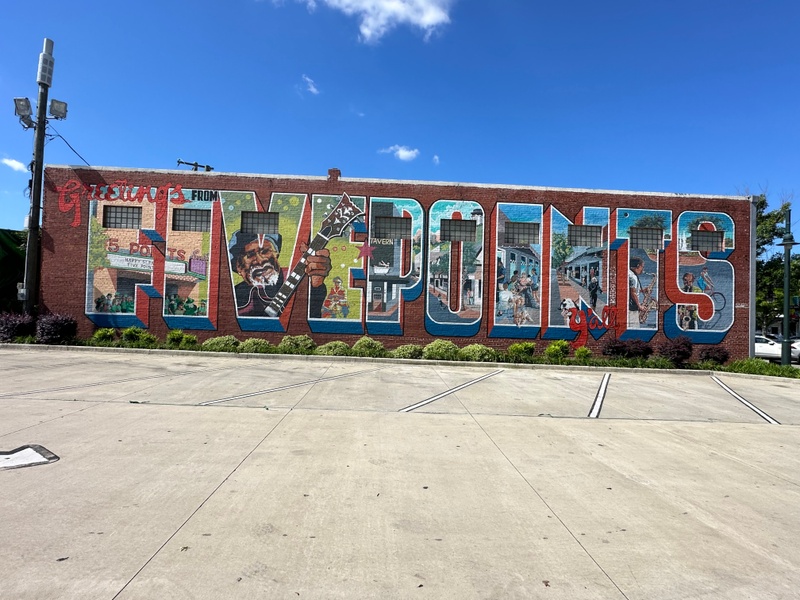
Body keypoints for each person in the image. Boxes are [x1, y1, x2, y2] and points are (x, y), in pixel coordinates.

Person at [229, 231, 331, 317]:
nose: (261, 260)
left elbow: (310, 311)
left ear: (275, 254)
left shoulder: (297, 278)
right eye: (250, 255)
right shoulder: (234, 296)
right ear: (238, 267)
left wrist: (315, 285)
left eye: (265, 251)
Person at [628, 257, 645, 328]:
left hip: (628, 307)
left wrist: (642, 290)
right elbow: (633, 293)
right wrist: (639, 306)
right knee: (635, 328)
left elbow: (629, 290)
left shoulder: (628, 273)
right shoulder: (633, 277)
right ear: (638, 266)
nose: (642, 270)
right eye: (642, 267)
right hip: (632, 308)